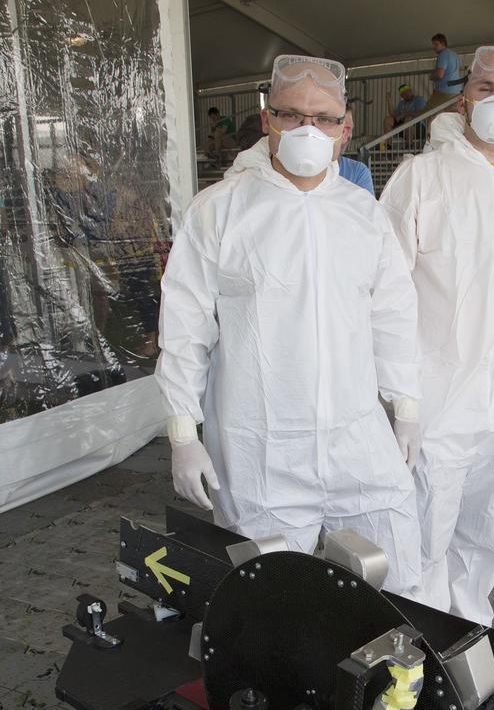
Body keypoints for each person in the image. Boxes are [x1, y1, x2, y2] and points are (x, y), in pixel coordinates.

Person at [156, 55, 422, 595]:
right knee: (271, 600)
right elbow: (185, 326)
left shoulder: (363, 213)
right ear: (267, 120)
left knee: (395, 578)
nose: (307, 129)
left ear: (345, 128)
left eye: (322, 118)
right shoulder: (219, 210)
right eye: (291, 115)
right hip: (262, 444)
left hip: (358, 436)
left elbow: (392, 314)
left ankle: (391, 678)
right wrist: (183, 431)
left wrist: (407, 406)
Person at [380, 45, 494, 624]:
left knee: (493, 522)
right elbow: (384, 290)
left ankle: (466, 624)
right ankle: (416, 636)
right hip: (435, 395)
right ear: (464, 99)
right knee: (424, 522)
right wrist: (398, 398)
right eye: (487, 88)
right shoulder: (422, 177)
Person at [335, 109, 375, 195]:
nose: (348, 135)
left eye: (350, 129)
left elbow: (367, 208)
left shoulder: (359, 172)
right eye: (343, 128)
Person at [426, 34, 462, 112]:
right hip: (456, 91)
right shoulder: (454, 54)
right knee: (451, 113)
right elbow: (461, 68)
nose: (434, 47)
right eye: (433, 44)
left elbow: (440, 74)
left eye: (436, 44)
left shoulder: (443, 54)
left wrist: (431, 76)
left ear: (443, 44)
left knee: (428, 110)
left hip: (444, 90)